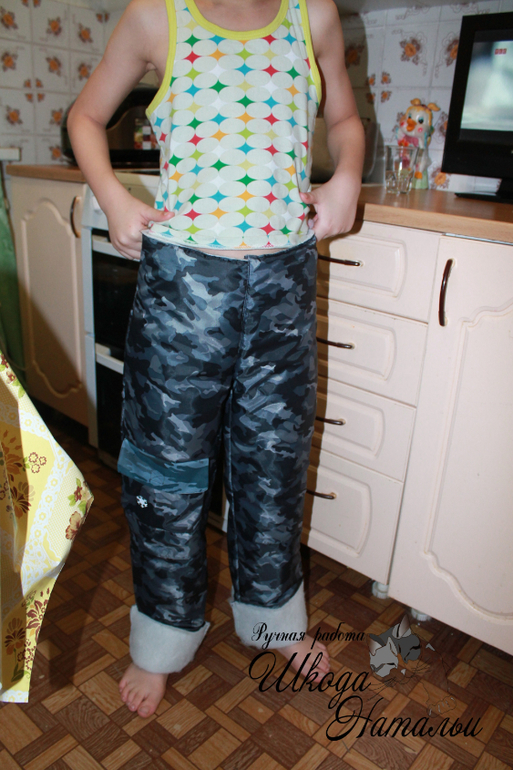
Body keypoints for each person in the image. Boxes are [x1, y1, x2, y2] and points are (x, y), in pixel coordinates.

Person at [67, 0, 364, 719]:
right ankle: (163, 636)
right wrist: (112, 197)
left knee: (274, 460)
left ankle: (275, 620)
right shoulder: (155, 15)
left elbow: (345, 121)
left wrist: (348, 175)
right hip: (184, 285)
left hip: (283, 281)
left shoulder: (311, 14)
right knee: (163, 468)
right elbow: (85, 116)